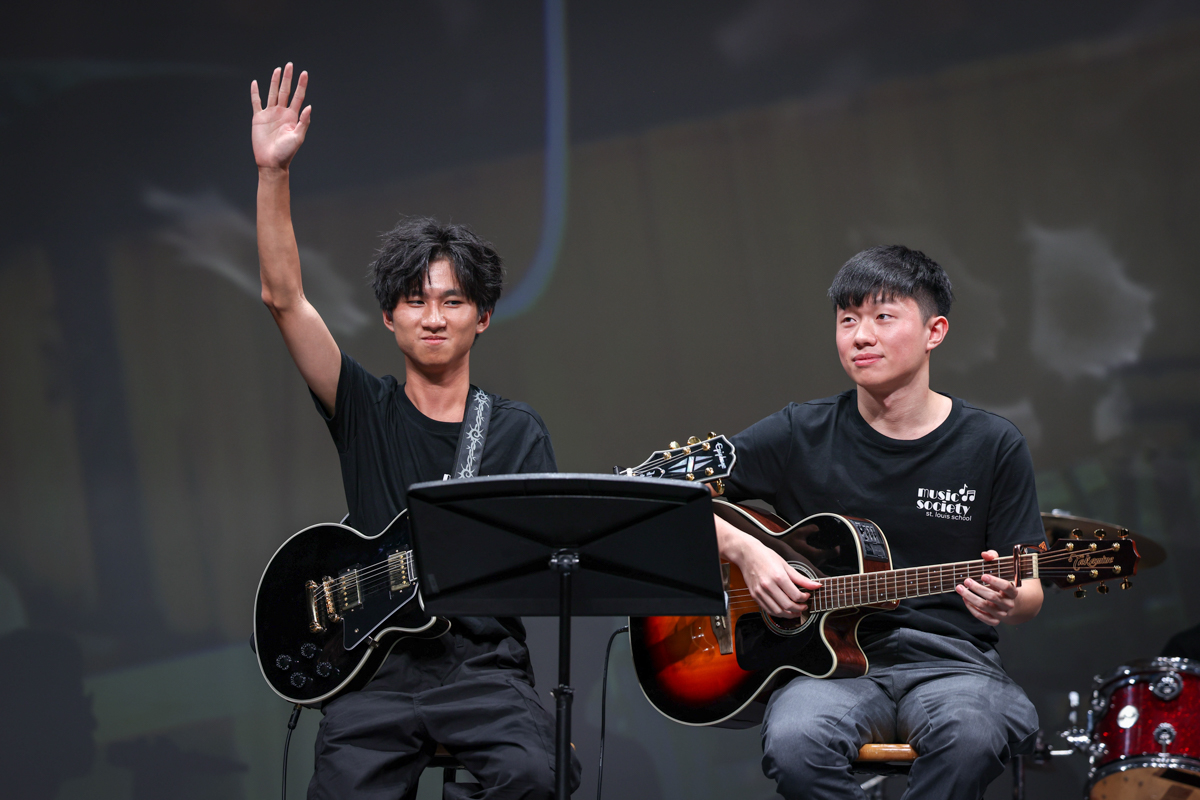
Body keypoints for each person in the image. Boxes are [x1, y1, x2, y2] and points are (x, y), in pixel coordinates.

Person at [252, 63, 579, 800]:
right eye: (415, 301)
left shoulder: (515, 431)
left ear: (482, 317)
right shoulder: (363, 408)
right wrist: (274, 173)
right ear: (389, 316)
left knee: (536, 777)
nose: (433, 317)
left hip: (481, 672)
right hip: (375, 678)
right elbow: (284, 299)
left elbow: (539, 560)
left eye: (453, 301)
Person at [715, 246, 1044, 800]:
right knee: (795, 743)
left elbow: (1029, 589)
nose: (860, 337)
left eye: (883, 317)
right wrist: (747, 552)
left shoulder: (992, 443)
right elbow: (670, 500)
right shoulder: (799, 431)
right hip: (829, 671)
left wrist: (1011, 601)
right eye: (848, 320)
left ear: (935, 331)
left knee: (970, 737)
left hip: (952, 664)